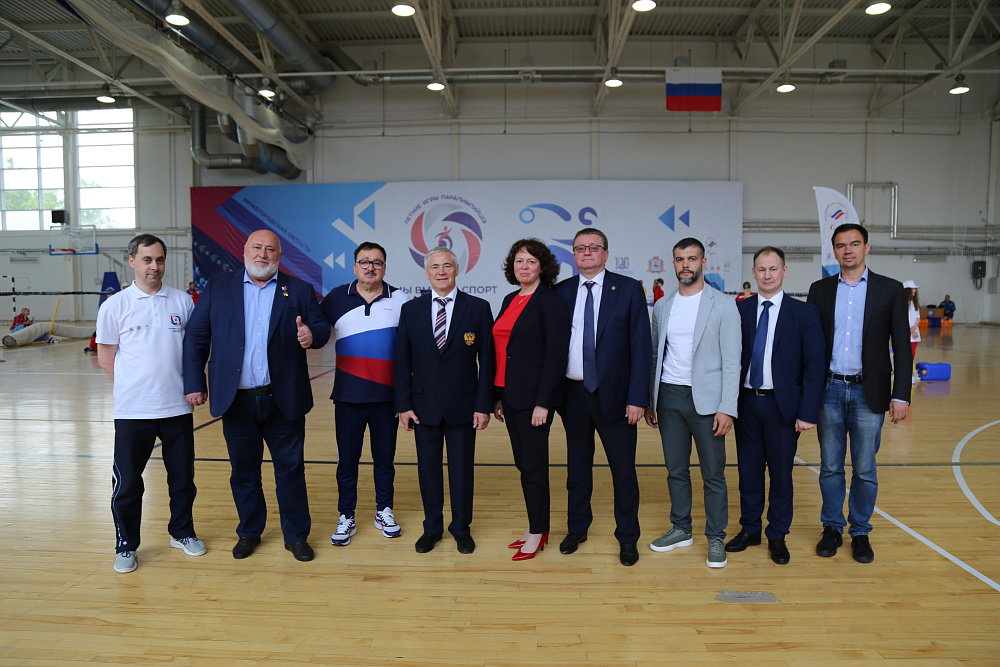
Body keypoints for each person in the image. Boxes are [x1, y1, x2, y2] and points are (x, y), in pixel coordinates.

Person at [183, 230, 331, 563]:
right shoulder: (218, 286)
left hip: (284, 399)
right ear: (245, 250)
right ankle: (249, 532)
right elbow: (196, 336)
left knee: (290, 471)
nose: (263, 254)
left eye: (270, 249)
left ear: (280, 255)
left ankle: (296, 536)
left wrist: (311, 334)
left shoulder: (298, 289)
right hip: (237, 400)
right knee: (243, 472)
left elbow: (322, 328)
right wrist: (194, 382)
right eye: (257, 248)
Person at [96, 234, 204, 574]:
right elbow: (106, 358)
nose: (153, 266)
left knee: (182, 479)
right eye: (146, 260)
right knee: (128, 483)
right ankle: (126, 544)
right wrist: (135, 389)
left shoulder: (182, 301)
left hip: (177, 409)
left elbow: (194, 352)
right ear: (132, 261)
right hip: (133, 412)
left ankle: (181, 532)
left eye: (159, 259)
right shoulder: (115, 306)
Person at [807, 223, 911, 564]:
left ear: (867, 248)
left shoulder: (890, 289)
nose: (848, 250)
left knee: (865, 469)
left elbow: (902, 345)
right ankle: (832, 527)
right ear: (834, 251)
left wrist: (901, 394)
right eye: (841, 245)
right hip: (829, 390)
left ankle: (861, 531)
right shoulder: (819, 290)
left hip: (870, 392)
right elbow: (810, 346)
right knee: (830, 466)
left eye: (854, 244)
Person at [554, 228, 651, 567]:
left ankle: (628, 537)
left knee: (623, 471)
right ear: (574, 254)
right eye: (580, 248)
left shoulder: (628, 289)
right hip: (572, 395)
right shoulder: (561, 291)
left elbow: (641, 346)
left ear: (606, 254)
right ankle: (577, 528)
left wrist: (638, 398)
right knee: (577, 468)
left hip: (617, 397)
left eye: (594, 247)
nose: (587, 253)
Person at [645, 237, 741, 568]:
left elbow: (733, 361)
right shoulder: (662, 306)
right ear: (673, 264)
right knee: (676, 470)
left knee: (713, 473)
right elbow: (655, 355)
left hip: (708, 402)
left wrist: (727, 407)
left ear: (703, 262)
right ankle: (681, 529)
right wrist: (651, 400)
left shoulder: (723, 304)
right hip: (669, 396)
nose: (685, 264)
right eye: (679, 259)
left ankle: (716, 536)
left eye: (692, 258)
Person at [726, 247, 825, 565]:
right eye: (761, 269)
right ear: (753, 273)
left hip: (783, 407)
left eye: (773, 269)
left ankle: (778, 534)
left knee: (781, 475)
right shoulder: (740, 310)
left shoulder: (804, 313)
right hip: (746, 404)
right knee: (748, 472)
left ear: (784, 271)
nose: (767, 275)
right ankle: (750, 529)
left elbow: (814, 366)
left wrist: (807, 412)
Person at [395, 246, 494, 555]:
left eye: (447, 266)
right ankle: (432, 528)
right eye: (435, 267)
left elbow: (488, 361)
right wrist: (403, 405)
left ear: (457, 269)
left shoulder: (478, 308)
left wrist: (483, 406)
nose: (441, 271)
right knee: (428, 471)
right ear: (427, 272)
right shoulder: (411, 310)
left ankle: (461, 529)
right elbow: (402, 361)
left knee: (462, 472)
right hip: (423, 407)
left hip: (463, 407)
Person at [320, 242, 406, 546]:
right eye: (364, 262)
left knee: (385, 460)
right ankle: (346, 515)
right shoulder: (335, 298)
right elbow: (317, 330)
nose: (371, 267)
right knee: (347, 461)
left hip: (387, 398)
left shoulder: (401, 299)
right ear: (355, 266)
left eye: (377, 262)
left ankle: (384, 510)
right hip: (347, 397)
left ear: (385, 267)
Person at [492, 239, 570, 561]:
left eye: (531, 261)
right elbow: (503, 350)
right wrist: (498, 396)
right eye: (519, 261)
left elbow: (555, 355)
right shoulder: (510, 299)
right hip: (509, 395)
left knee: (534, 468)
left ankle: (538, 530)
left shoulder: (551, 301)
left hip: (534, 399)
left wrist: (544, 402)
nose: (524, 267)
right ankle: (535, 525)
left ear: (542, 267)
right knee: (524, 465)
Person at [904, 280, 921, 384]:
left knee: (911, 355)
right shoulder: (902, 303)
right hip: (905, 334)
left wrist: (914, 328)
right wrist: (910, 329)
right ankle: (906, 375)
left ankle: (910, 374)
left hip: (914, 335)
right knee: (905, 356)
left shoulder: (915, 304)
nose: (915, 290)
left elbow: (918, 317)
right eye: (913, 288)